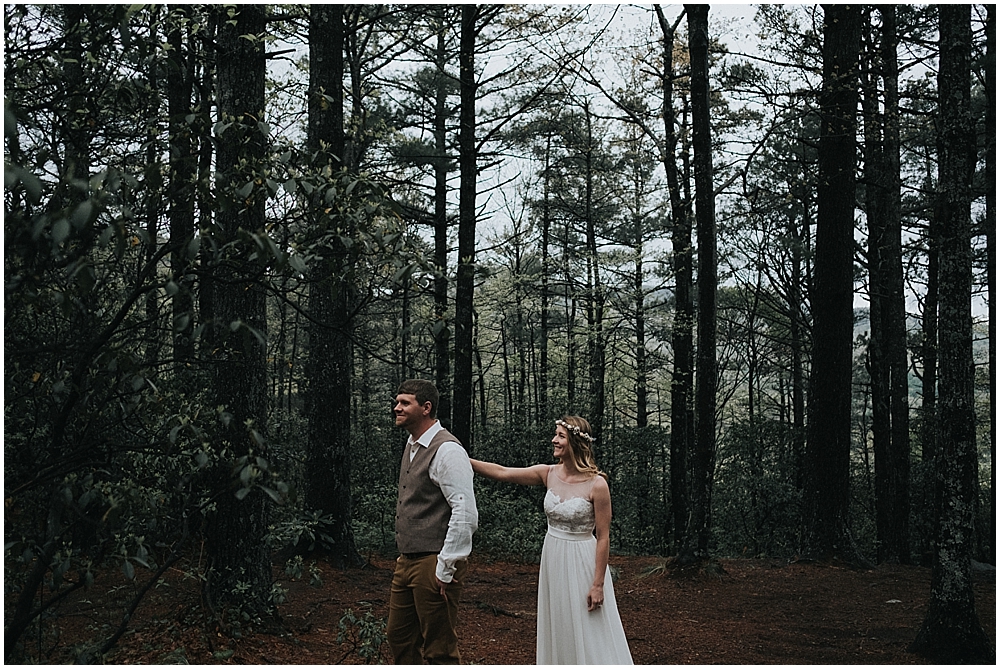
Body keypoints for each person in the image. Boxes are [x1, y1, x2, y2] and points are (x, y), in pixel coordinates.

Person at [470, 416, 633, 665]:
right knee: (560, 620)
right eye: (555, 434)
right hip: (553, 556)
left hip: (582, 560)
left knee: (587, 622)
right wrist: (461, 458)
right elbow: (502, 472)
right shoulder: (547, 473)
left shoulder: (597, 484)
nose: (553, 440)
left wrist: (598, 583)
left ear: (575, 443)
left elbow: (603, 537)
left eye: (560, 436)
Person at [387, 379, 478, 664]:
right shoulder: (413, 444)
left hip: (434, 560)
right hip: (407, 560)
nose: (397, 408)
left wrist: (446, 565)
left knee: (439, 647)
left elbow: (465, 512)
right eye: (397, 402)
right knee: (399, 638)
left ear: (426, 408)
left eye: (405, 403)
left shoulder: (447, 450)